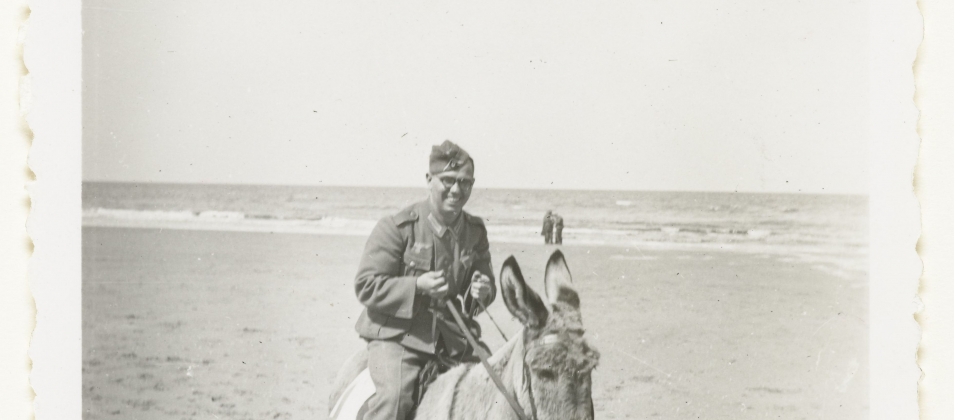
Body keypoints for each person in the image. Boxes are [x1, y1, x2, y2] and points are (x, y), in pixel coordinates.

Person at [353, 140, 496, 420]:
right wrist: (416, 287)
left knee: (498, 387)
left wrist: (482, 291)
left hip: (454, 337)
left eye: (465, 183)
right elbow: (366, 285)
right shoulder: (397, 228)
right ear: (429, 180)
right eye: (448, 180)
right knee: (394, 403)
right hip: (398, 338)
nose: (457, 190)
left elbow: (479, 290)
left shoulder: (474, 231)